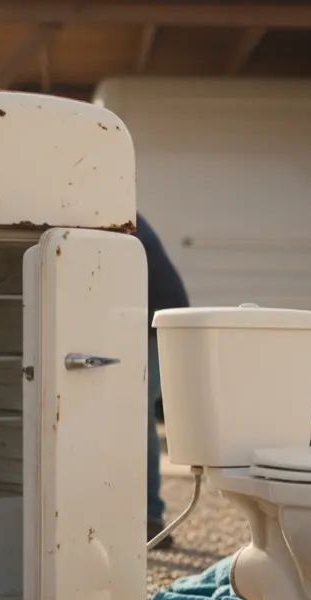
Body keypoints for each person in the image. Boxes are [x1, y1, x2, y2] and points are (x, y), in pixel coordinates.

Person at [133, 213, 189, 550]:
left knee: (135, 418)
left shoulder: (116, 215)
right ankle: (145, 516)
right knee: (137, 418)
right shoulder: (122, 210)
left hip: (153, 327)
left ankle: (150, 518)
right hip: (155, 323)